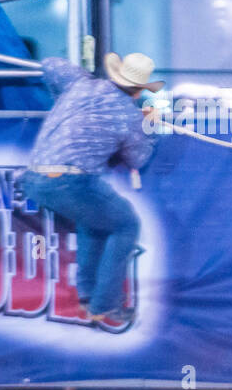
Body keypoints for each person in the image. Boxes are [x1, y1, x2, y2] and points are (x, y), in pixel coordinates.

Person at [19, 52, 161, 325]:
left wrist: (59, 99)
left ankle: (87, 297)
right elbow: (139, 159)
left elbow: (50, 63)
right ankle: (105, 305)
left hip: (34, 177)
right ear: (138, 89)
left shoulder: (79, 83)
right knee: (125, 225)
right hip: (70, 182)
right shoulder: (128, 115)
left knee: (95, 222)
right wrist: (150, 126)